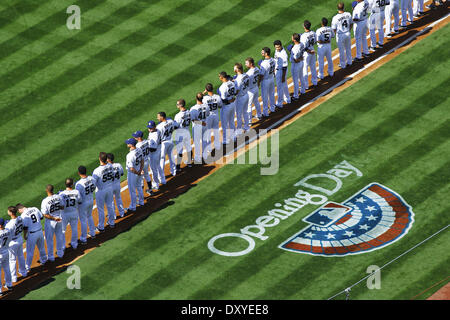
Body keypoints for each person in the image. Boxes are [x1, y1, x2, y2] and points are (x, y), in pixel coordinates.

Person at [16, 203, 48, 272]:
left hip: (32, 234)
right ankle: (44, 260)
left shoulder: (23, 215)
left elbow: (25, 227)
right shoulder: (35, 208)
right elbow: (41, 217)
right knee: (41, 247)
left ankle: (27, 267)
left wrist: (24, 235)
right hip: (40, 231)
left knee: (30, 251)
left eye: (18, 211)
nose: (19, 212)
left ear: (20, 209)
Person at [92, 152, 115, 232]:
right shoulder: (111, 166)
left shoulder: (96, 170)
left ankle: (101, 226)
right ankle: (112, 222)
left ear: (99, 159)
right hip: (109, 188)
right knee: (110, 205)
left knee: (101, 209)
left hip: (101, 190)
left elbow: (93, 184)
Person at [41, 184, 65, 259]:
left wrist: (54, 218)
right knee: (59, 236)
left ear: (46, 190)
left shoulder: (45, 201)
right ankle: (60, 253)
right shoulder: (58, 197)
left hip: (50, 222)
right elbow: (62, 207)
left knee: (49, 239)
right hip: (59, 219)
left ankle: (51, 256)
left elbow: (45, 214)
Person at [75, 166, 97, 241]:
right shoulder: (92, 178)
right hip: (91, 200)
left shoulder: (78, 184)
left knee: (83, 220)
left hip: (83, 203)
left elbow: (78, 196)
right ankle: (93, 233)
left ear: (79, 173)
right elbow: (94, 187)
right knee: (89, 216)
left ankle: (83, 238)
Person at [5, 206, 27, 283]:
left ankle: (13, 277)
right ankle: (23, 272)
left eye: (8, 211)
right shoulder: (20, 218)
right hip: (19, 239)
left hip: (13, 242)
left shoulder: (9, 224)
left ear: (11, 213)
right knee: (20, 256)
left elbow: (7, 236)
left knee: (12, 260)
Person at [60, 178, 82, 249]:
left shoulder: (61, 194)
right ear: (72, 184)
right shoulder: (76, 192)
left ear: (65, 184)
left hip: (64, 214)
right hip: (74, 213)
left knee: (62, 230)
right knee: (74, 228)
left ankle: (63, 246)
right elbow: (80, 201)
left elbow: (61, 206)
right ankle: (74, 244)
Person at [125, 138, 144, 213]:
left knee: (132, 190)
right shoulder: (139, 149)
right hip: (139, 169)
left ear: (131, 145)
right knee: (139, 187)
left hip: (133, 174)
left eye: (128, 143)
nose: (127, 144)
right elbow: (142, 160)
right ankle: (141, 201)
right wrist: (140, 170)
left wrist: (137, 173)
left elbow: (131, 168)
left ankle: (133, 207)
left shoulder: (129, 155)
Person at [332, 2, 354, 68]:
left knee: (341, 50)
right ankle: (349, 61)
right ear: (343, 7)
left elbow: (334, 29)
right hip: (347, 33)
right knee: (348, 48)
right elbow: (351, 24)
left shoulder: (335, 18)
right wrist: (348, 30)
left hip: (340, 35)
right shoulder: (348, 14)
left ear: (337, 8)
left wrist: (335, 34)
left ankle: (343, 64)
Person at [190, 92, 210, 163]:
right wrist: (202, 122)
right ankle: (205, 157)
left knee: (197, 142)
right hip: (204, 125)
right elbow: (207, 114)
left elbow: (193, 120)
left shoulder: (193, 108)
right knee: (204, 141)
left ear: (196, 98)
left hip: (197, 127)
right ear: (202, 98)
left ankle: (198, 158)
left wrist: (200, 123)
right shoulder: (206, 106)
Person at [218, 71, 238, 144]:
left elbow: (224, 100)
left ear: (222, 77)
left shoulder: (222, 87)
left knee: (224, 124)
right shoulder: (232, 83)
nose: (219, 78)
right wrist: (232, 98)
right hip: (233, 105)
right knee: (231, 121)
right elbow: (235, 92)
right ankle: (234, 137)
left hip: (226, 107)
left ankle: (225, 140)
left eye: (219, 76)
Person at [173, 99, 193, 171]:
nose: (176, 105)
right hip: (187, 131)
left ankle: (178, 167)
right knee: (188, 147)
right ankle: (190, 163)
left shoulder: (178, 115)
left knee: (179, 150)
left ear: (181, 105)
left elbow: (175, 126)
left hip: (180, 134)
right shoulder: (189, 112)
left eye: (177, 104)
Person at [202, 83, 223, 151]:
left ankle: (209, 148)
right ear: (212, 88)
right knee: (216, 130)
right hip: (215, 115)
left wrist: (203, 93)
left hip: (208, 117)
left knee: (207, 132)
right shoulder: (217, 97)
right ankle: (217, 145)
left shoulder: (204, 98)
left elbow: (199, 100)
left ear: (206, 90)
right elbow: (220, 105)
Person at [156, 112, 177, 177]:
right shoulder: (171, 121)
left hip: (163, 144)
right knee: (171, 156)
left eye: (158, 117)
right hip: (170, 140)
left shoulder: (159, 126)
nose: (157, 118)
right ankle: (174, 171)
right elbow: (176, 126)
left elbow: (157, 137)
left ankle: (161, 175)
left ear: (162, 117)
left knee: (162, 159)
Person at [147, 120, 165, 190]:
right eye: (149, 128)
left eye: (151, 128)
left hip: (154, 153)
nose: (149, 129)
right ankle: (163, 180)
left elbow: (153, 148)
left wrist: (145, 148)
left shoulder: (155, 134)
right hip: (159, 150)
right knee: (158, 166)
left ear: (155, 127)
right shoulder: (157, 131)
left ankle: (155, 184)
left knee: (153, 169)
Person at [133, 130, 152, 196]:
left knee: (140, 179)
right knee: (147, 175)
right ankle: (150, 189)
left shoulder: (137, 146)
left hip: (141, 164)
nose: (134, 138)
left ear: (138, 138)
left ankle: (140, 196)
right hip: (147, 161)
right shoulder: (146, 141)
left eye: (135, 137)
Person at [300, 20, 318, 89]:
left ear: (304, 27)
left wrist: (309, 51)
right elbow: (315, 41)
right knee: (313, 67)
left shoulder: (303, 36)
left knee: (305, 68)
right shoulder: (313, 33)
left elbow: (303, 47)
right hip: (312, 51)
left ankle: (306, 85)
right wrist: (311, 50)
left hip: (307, 53)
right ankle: (315, 81)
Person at [234, 62, 251, 132]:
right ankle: (247, 127)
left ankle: (239, 129)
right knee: (245, 112)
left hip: (240, 98)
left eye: (235, 68)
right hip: (246, 95)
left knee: (238, 114)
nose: (234, 69)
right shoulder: (246, 75)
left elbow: (236, 92)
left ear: (237, 69)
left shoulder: (238, 80)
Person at [259, 48, 276, 116]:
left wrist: (258, 83)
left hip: (265, 81)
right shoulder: (273, 60)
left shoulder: (264, 63)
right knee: (271, 94)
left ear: (266, 53)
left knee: (265, 97)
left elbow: (262, 75)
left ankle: (265, 112)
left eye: (262, 52)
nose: (261, 53)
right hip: (271, 78)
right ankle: (272, 108)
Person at [273, 40, 291, 107]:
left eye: (278, 47)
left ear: (281, 45)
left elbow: (285, 67)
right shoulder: (277, 51)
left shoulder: (283, 54)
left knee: (279, 87)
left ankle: (280, 103)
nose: (277, 48)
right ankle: (288, 98)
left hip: (281, 71)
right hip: (278, 70)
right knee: (284, 85)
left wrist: (283, 77)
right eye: (276, 47)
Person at [290, 33, 306, 101]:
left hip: (296, 65)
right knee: (301, 77)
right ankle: (303, 90)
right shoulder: (302, 44)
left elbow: (295, 60)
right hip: (301, 63)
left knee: (295, 80)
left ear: (294, 39)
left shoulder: (295, 48)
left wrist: (299, 59)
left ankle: (296, 95)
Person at [0, 218, 13, 295]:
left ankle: (0, 291)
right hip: (6, 252)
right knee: (7, 268)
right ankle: (9, 284)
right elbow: (10, 239)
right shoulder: (8, 230)